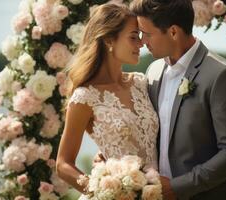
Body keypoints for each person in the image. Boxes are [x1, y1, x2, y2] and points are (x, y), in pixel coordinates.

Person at [129, 0, 226, 199]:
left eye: (147, 33)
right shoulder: (153, 71)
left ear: (173, 32)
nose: (142, 41)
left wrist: (178, 187)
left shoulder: (222, 75)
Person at [56, 3, 159, 194]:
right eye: (133, 37)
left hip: (158, 193)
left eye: (141, 37)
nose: (141, 44)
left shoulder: (141, 83)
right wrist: (100, 192)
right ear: (109, 40)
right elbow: (63, 164)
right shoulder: (84, 97)